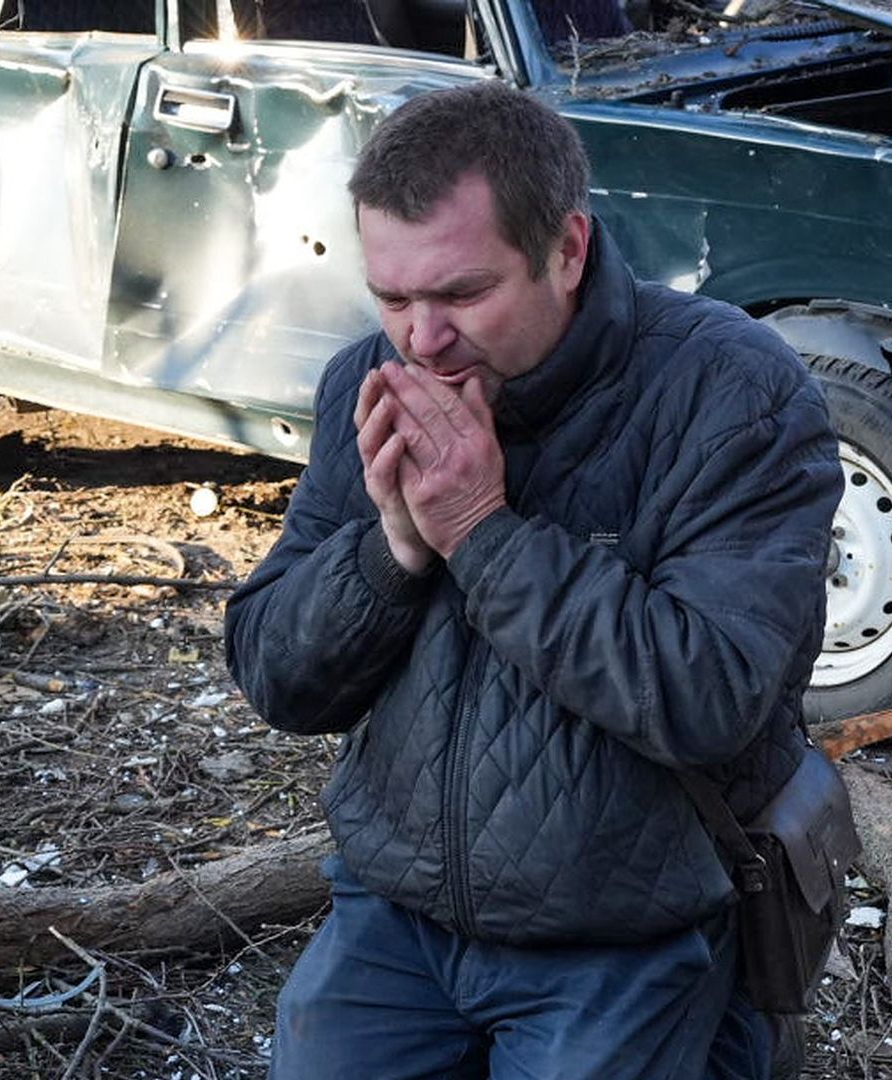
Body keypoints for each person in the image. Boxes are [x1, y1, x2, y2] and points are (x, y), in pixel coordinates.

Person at [223, 80, 841, 1079]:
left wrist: (481, 531)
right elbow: (276, 677)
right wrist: (393, 549)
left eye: (463, 294)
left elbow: (711, 695)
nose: (422, 339)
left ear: (567, 250)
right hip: (397, 917)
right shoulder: (365, 386)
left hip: (627, 933)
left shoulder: (733, 392)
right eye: (393, 298)